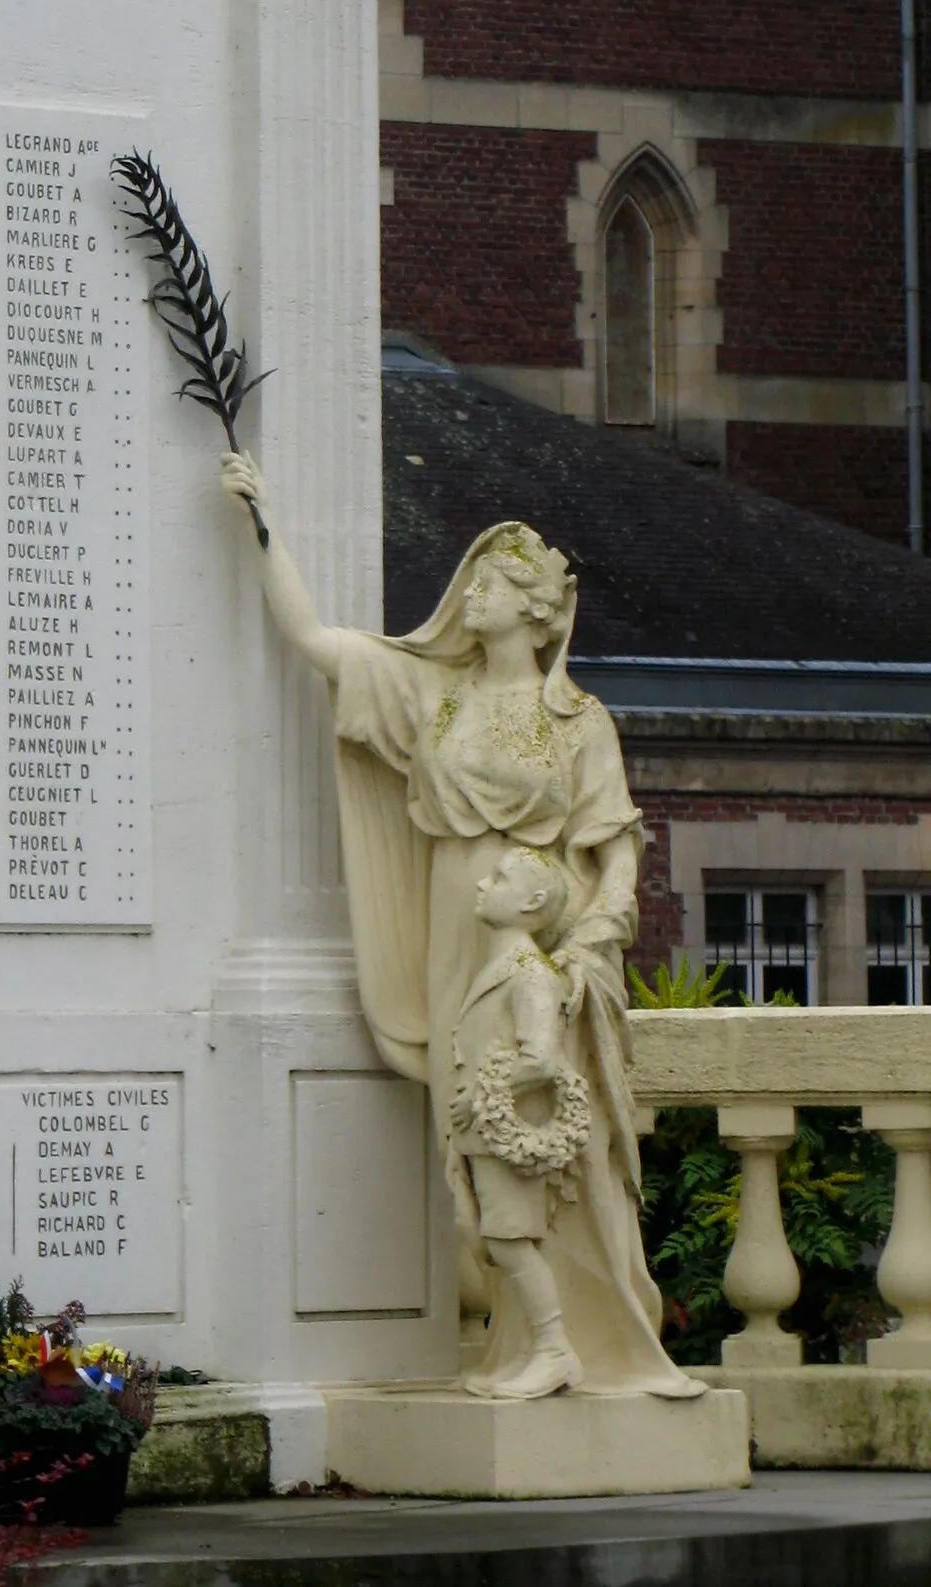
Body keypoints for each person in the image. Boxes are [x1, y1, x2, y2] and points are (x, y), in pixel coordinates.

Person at [220, 448, 701, 1400]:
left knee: (554, 1139)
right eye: (470, 582)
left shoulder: (577, 722)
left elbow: (616, 851)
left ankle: (583, 1342)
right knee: (476, 1138)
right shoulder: (433, 698)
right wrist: (262, 523)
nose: (465, 595)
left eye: (486, 584)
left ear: (533, 607)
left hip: (538, 947)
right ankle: (527, 1340)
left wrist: (590, 944)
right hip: (454, 931)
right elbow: (316, 640)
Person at [448, 843, 591, 1398]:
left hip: (505, 1133)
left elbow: (543, 1059)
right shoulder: (504, 967)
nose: (484, 885)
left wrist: (483, 1097)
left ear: (532, 902)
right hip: (481, 1133)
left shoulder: (531, 973)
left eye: (500, 879)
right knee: (483, 1235)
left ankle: (555, 1350)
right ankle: (539, 1349)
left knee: (509, 1241)